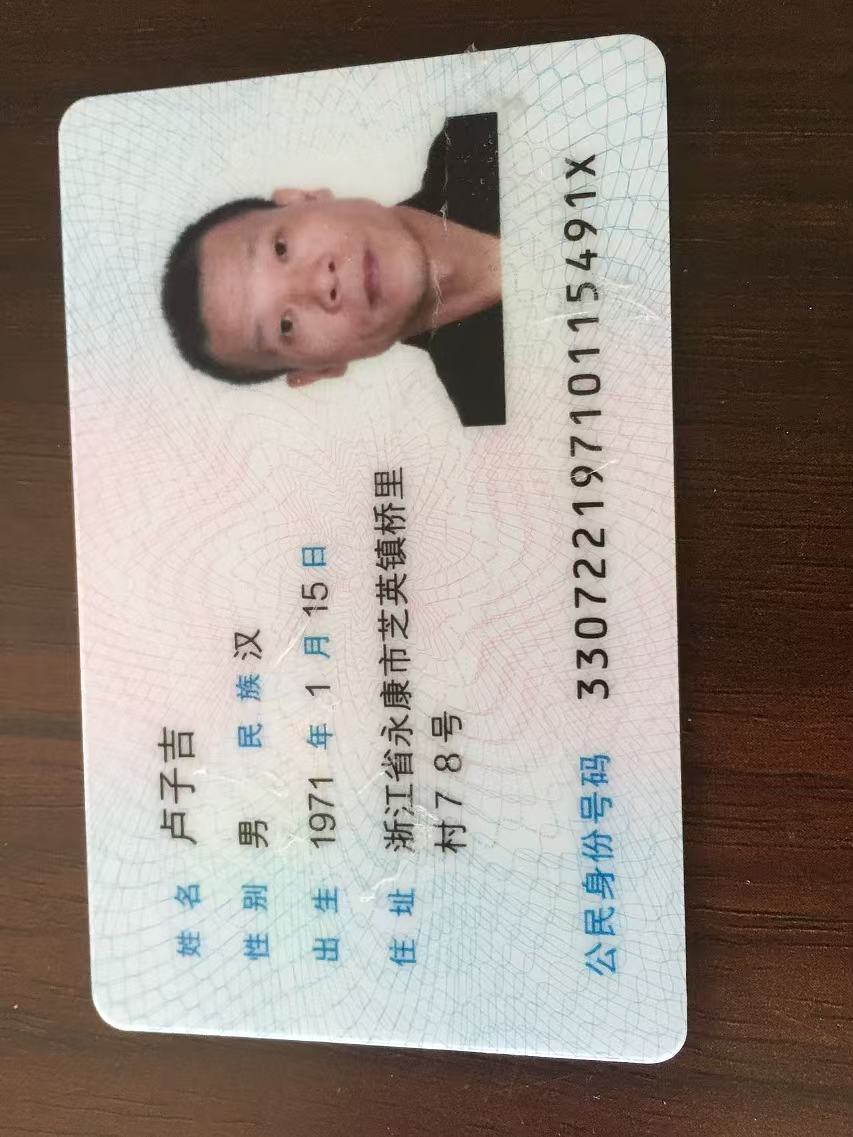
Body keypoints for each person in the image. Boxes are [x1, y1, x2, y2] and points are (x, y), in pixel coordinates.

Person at [161, 113, 505, 427]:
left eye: (281, 248)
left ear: (304, 198)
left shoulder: (485, 132)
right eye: (285, 325)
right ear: (318, 370)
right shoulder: (492, 407)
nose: (320, 282)